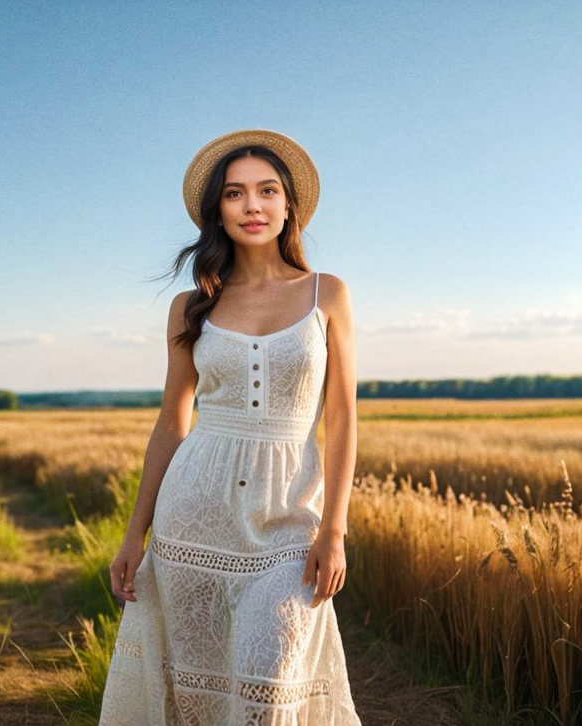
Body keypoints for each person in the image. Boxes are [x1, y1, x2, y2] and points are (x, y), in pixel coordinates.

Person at [97, 129, 363, 725]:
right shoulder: (192, 306)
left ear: (288, 204)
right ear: (218, 209)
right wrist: (134, 533)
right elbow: (172, 422)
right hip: (194, 515)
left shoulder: (329, 295)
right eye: (236, 194)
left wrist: (335, 529)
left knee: (269, 682)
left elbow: (342, 419)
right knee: (195, 695)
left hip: (289, 520)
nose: (253, 206)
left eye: (267, 191)